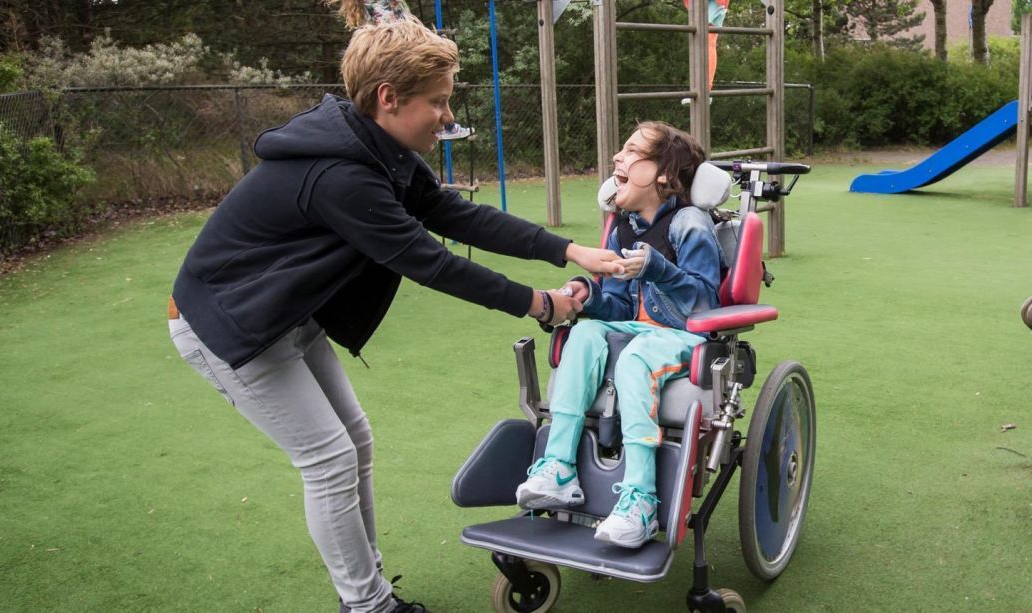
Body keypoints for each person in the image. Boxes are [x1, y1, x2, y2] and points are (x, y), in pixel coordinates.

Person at [166, 16, 620, 613]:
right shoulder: (341, 175)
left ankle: (367, 584)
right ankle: (368, 605)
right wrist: (542, 304)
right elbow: (430, 262)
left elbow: (458, 217)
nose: (448, 115)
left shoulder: (378, 149)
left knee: (355, 440)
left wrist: (567, 250)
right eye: (437, 101)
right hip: (228, 325)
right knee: (328, 459)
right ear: (388, 99)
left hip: (288, 317)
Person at [513, 122, 722, 549]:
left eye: (630, 152)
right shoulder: (622, 227)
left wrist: (657, 268)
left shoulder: (690, 223)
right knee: (585, 335)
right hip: (637, 330)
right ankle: (558, 470)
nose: (617, 159)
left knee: (639, 353)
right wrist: (585, 294)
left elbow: (705, 307)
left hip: (682, 335)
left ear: (663, 174)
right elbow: (621, 308)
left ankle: (641, 500)